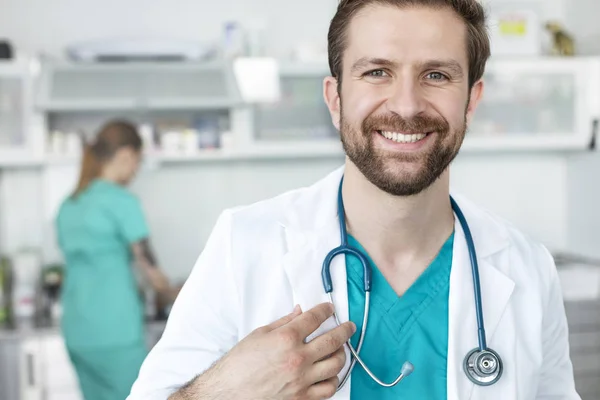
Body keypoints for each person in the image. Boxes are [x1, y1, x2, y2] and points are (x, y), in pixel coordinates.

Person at [128, 0, 581, 399]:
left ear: (471, 100)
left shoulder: (527, 269)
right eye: (377, 72)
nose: (406, 105)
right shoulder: (244, 245)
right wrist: (222, 395)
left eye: (437, 74)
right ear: (335, 98)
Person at [56, 120, 179, 400]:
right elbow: (152, 272)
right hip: (115, 333)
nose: (136, 170)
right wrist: (179, 293)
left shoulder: (69, 204)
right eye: (137, 161)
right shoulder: (122, 202)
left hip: (77, 331)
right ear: (126, 155)